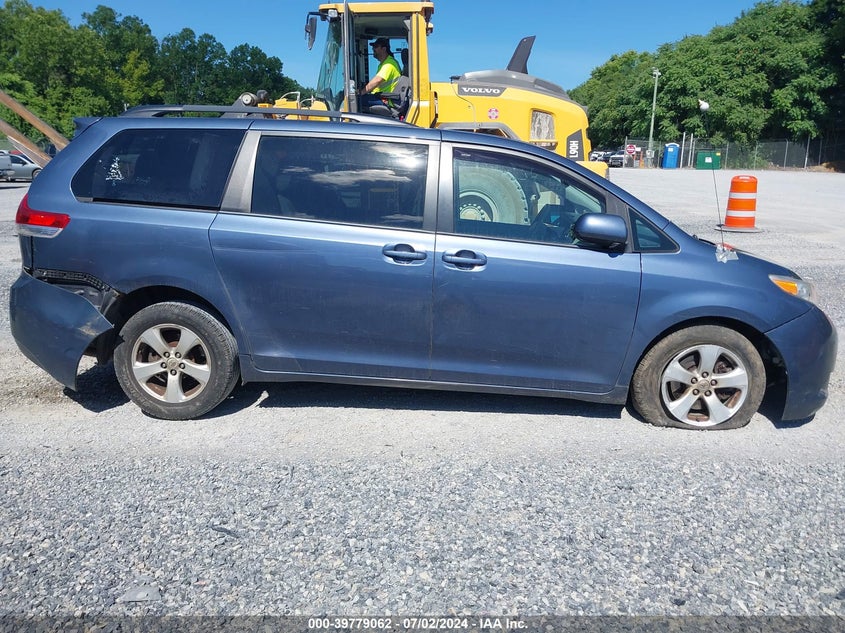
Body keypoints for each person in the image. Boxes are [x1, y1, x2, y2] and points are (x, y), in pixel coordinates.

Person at [359, 37, 402, 112]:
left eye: (376, 46)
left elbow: (377, 80)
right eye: (373, 47)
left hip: (386, 100)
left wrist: (361, 92)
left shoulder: (389, 64)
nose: (373, 49)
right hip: (381, 97)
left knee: (355, 100)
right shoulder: (383, 64)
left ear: (384, 49)